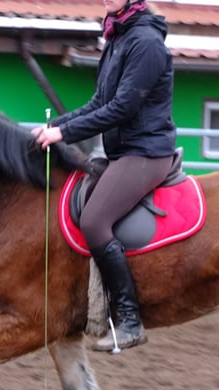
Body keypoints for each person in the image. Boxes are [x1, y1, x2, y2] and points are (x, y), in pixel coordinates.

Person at [35, 0, 176, 352]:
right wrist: (54, 126)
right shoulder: (117, 37)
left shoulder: (145, 42)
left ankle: (129, 320)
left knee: (96, 221)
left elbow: (122, 107)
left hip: (145, 152)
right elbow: (99, 102)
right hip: (121, 151)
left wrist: (64, 135)